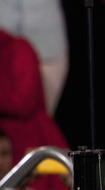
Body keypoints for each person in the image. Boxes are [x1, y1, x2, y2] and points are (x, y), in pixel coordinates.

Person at [0, 30, 70, 190]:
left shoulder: (18, 49)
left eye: (4, 155)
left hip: (27, 139)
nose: (1, 162)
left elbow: (25, 100)